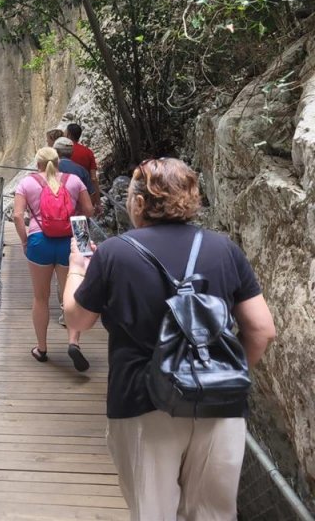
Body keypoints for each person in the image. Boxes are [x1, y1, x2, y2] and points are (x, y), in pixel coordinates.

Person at [63, 158, 276, 520]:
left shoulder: (114, 253)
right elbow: (261, 329)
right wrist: (223, 377)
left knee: (153, 513)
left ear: (141, 203)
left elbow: (77, 318)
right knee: (212, 514)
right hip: (220, 403)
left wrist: (77, 269)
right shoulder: (224, 249)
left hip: (143, 402)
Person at [13, 146, 94, 372]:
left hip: (39, 241)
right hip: (72, 240)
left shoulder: (27, 183)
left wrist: (24, 240)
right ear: (59, 162)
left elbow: (18, 215)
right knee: (72, 294)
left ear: (37, 164)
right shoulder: (75, 180)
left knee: (40, 297)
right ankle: (73, 343)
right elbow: (89, 210)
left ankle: (42, 349)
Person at [65, 123, 101, 211]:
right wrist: (98, 201)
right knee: (83, 221)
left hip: (66, 196)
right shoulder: (88, 152)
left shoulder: (63, 151)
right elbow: (93, 178)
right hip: (84, 196)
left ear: (68, 134)